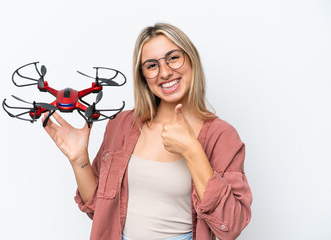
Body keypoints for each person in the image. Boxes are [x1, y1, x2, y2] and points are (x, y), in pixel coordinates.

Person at [42, 23, 252, 240]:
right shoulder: (121, 124)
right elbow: (100, 210)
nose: (165, 72)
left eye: (173, 57)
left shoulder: (222, 136)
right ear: (143, 76)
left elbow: (232, 225)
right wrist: (79, 159)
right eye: (152, 65)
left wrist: (192, 151)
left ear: (191, 60)